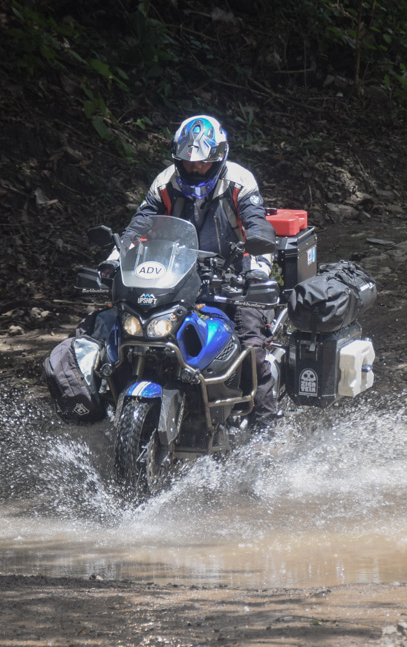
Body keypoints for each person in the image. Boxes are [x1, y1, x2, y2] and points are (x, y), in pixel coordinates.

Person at [100, 115, 279, 428]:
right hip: (177, 276)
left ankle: (267, 429)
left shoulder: (240, 181)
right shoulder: (165, 183)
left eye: (203, 164)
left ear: (219, 158)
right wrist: (113, 262)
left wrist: (257, 271)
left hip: (232, 276)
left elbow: (257, 225)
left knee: (252, 346)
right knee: (130, 334)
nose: (195, 169)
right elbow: (137, 230)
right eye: (188, 163)